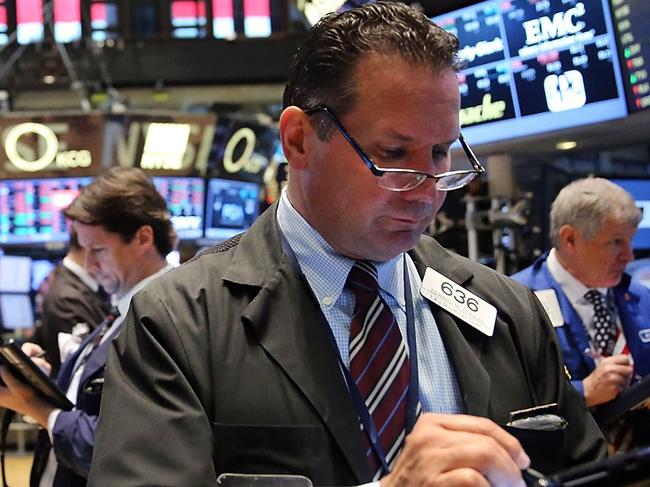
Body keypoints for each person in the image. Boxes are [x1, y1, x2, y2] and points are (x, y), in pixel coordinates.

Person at [89, 4, 606, 487]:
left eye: (441, 153)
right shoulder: (177, 322)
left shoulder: (506, 308)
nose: (427, 191)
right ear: (299, 140)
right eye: (394, 153)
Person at [0, 167, 176, 487]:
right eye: (84, 250)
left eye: (98, 250)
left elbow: (116, 449)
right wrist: (42, 380)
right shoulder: (123, 308)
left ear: (143, 238)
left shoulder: (163, 318)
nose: (90, 265)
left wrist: (36, 407)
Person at [512, 178, 650, 446]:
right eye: (615, 242)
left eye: (630, 241)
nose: (629, 256)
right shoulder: (515, 300)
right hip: (567, 464)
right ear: (570, 238)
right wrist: (581, 392)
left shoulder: (641, 296)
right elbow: (503, 399)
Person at [32, 228, 112, 375]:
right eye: (104, 249)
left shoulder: (84, 285)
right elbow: (90, 368)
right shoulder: (67, 299)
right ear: (87, 245)